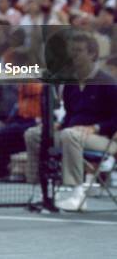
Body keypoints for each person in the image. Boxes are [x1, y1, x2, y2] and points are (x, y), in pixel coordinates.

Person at [24, 32, 117, 211]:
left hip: (105, 139)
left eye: (79, 50)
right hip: (73, 133)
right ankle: (44, 188)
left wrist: (95, 127)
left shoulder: (108, 83)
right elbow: (71, 114)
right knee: (34, 134)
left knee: (70, 135)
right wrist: (57, 125)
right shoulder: (69, 83)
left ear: (92, 54)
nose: (74, 54)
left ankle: (77, 194)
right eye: (72, 51)